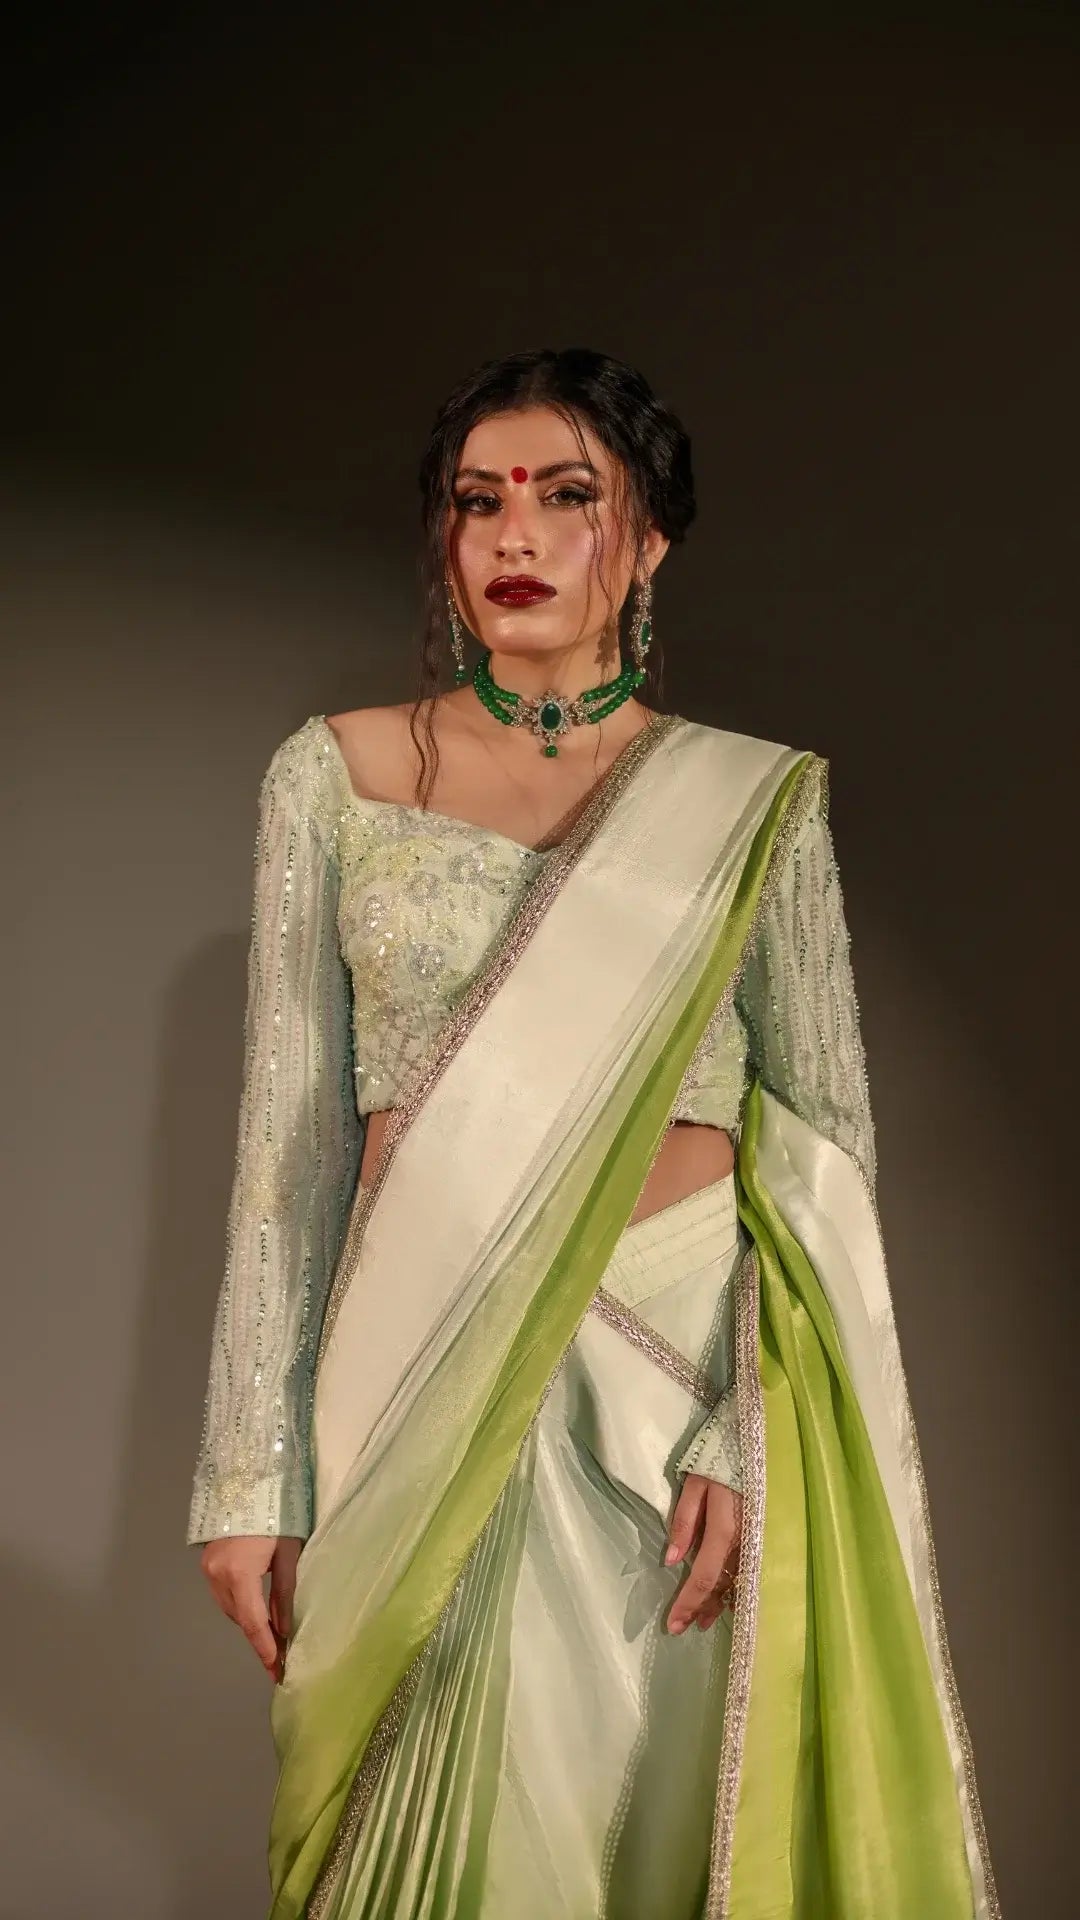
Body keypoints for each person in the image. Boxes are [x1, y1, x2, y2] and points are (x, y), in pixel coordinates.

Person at [188, 348, 1000, 1920]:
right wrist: (245, 1471)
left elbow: (824, 1144)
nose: (515, 533)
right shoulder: (337, 777)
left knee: (646, 1837)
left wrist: (740, 1428)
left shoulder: (752, 801)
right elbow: (285, 1149)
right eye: (479, 499)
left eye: (570, 498)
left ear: (646, 545)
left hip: (673, 1388)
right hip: (414, 1370)